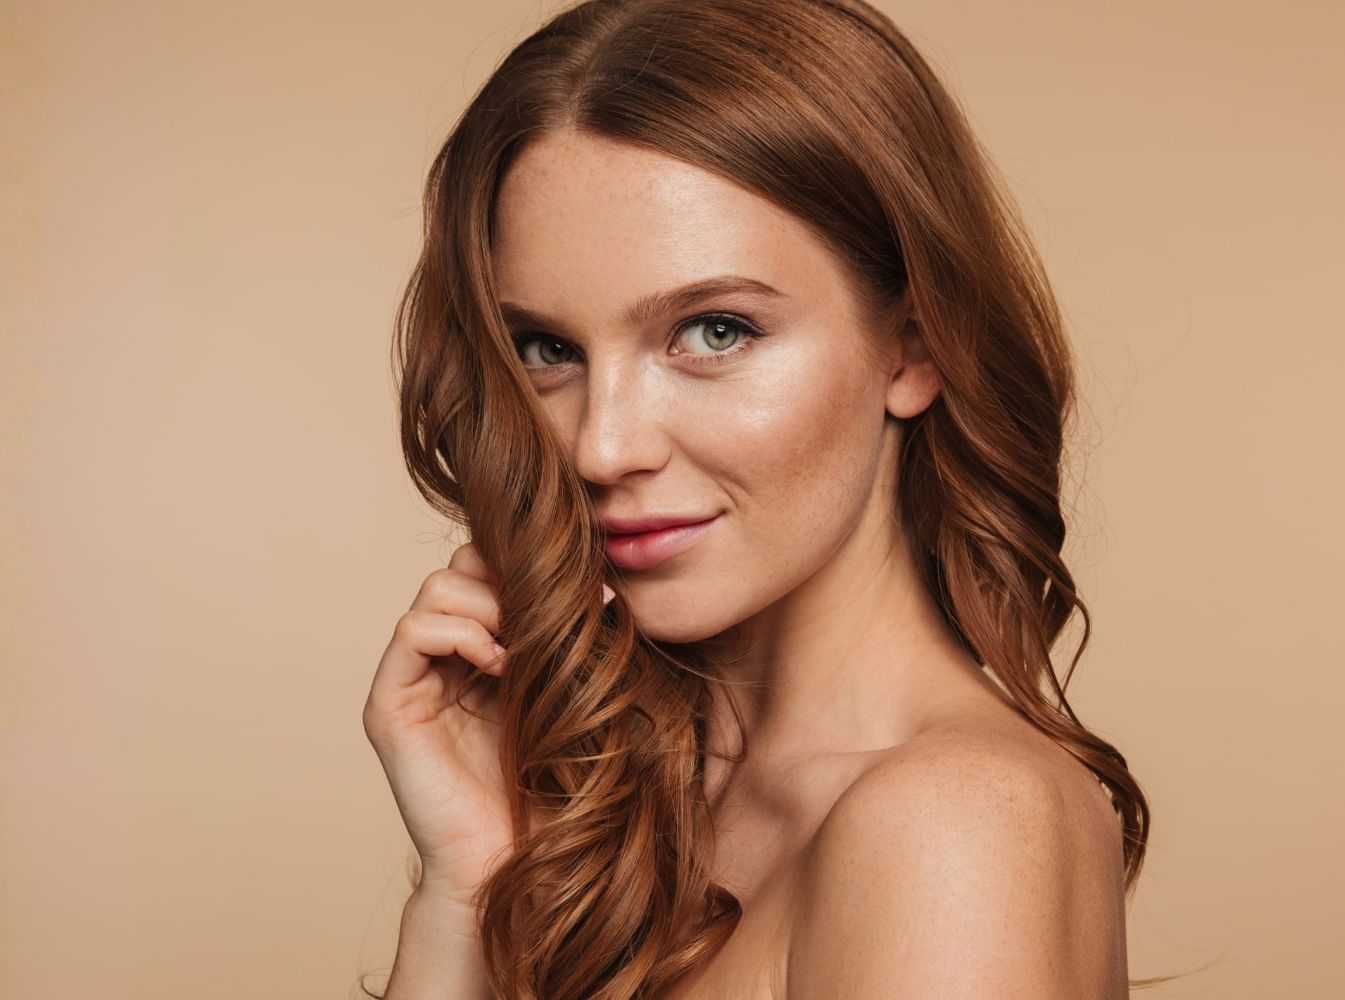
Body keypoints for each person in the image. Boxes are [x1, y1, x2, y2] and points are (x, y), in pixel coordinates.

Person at [361, 1, 1153, 997]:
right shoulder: (652, 809)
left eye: (715, 332)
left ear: (914, 347)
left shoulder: (953, 821)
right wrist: (466, 891)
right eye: (547, 348)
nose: (602, 446)